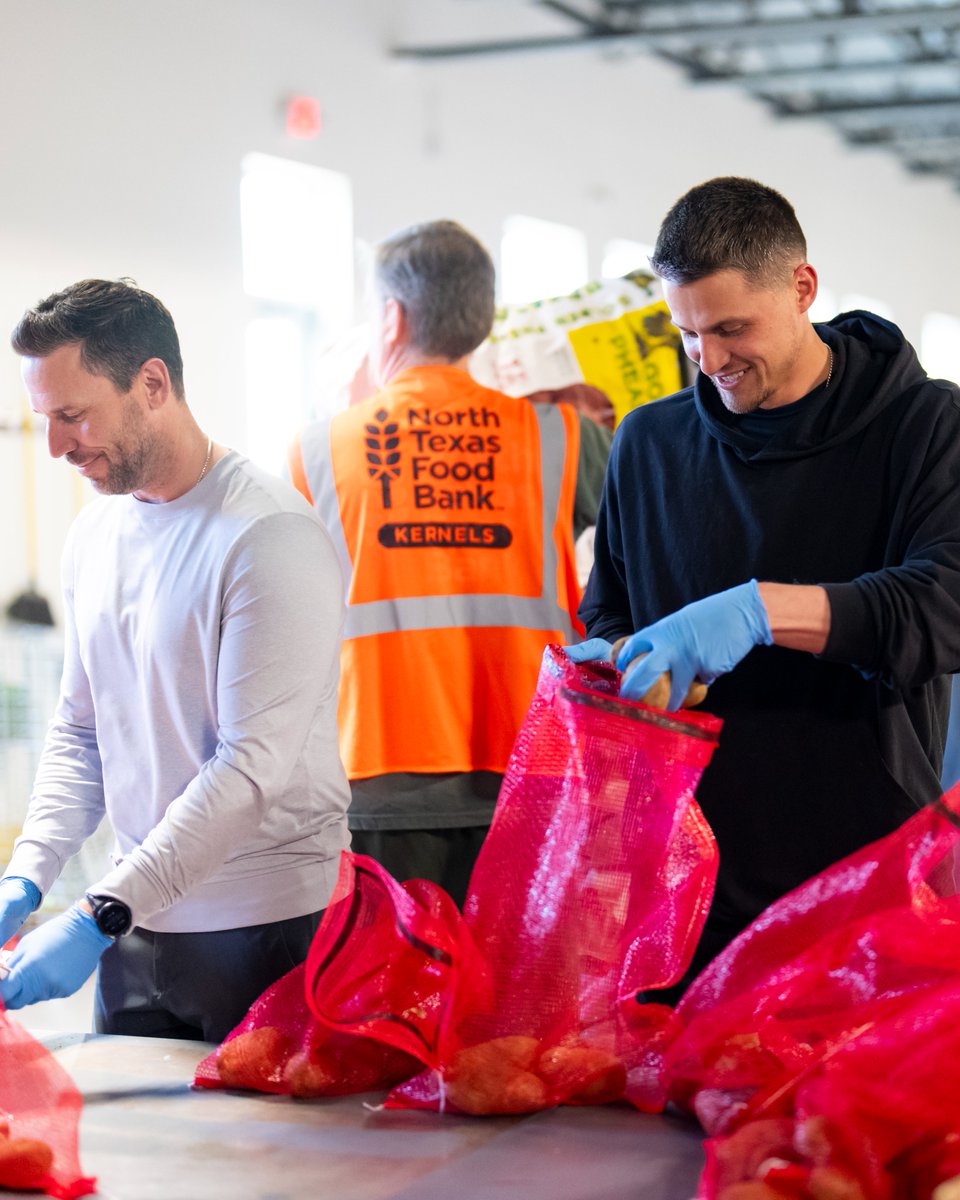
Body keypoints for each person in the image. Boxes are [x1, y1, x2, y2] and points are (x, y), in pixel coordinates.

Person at [571, 176, 960, 988]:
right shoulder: (648, 444)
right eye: (688, 334)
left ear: (802, 287)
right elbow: (607, 603)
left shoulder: (924, 426)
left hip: (863, 879)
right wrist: (614, 663)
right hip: (685, 884)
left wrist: (759, 611)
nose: (709, 362)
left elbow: (944, 606)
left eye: (730, 328)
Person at [0, 279, 350, 1041]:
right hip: (132, 919)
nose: (56, 445)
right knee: (138, 1161)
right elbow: (81, 732)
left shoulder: (267, 536)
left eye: (72, 414)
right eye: (45, 420)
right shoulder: (95, 539)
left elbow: (249, 766)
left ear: (152, 384)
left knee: (277, 1162)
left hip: (264, 929)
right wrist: (30, 873)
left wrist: (100, 911)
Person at [288, 220, 609, 907]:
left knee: (387, 998)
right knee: (513, 1007)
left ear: (392, 317)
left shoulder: (319, 449)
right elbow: (659, 528)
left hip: (379, 763)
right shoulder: (561, 437)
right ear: (483, 320)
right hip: (530, 765)